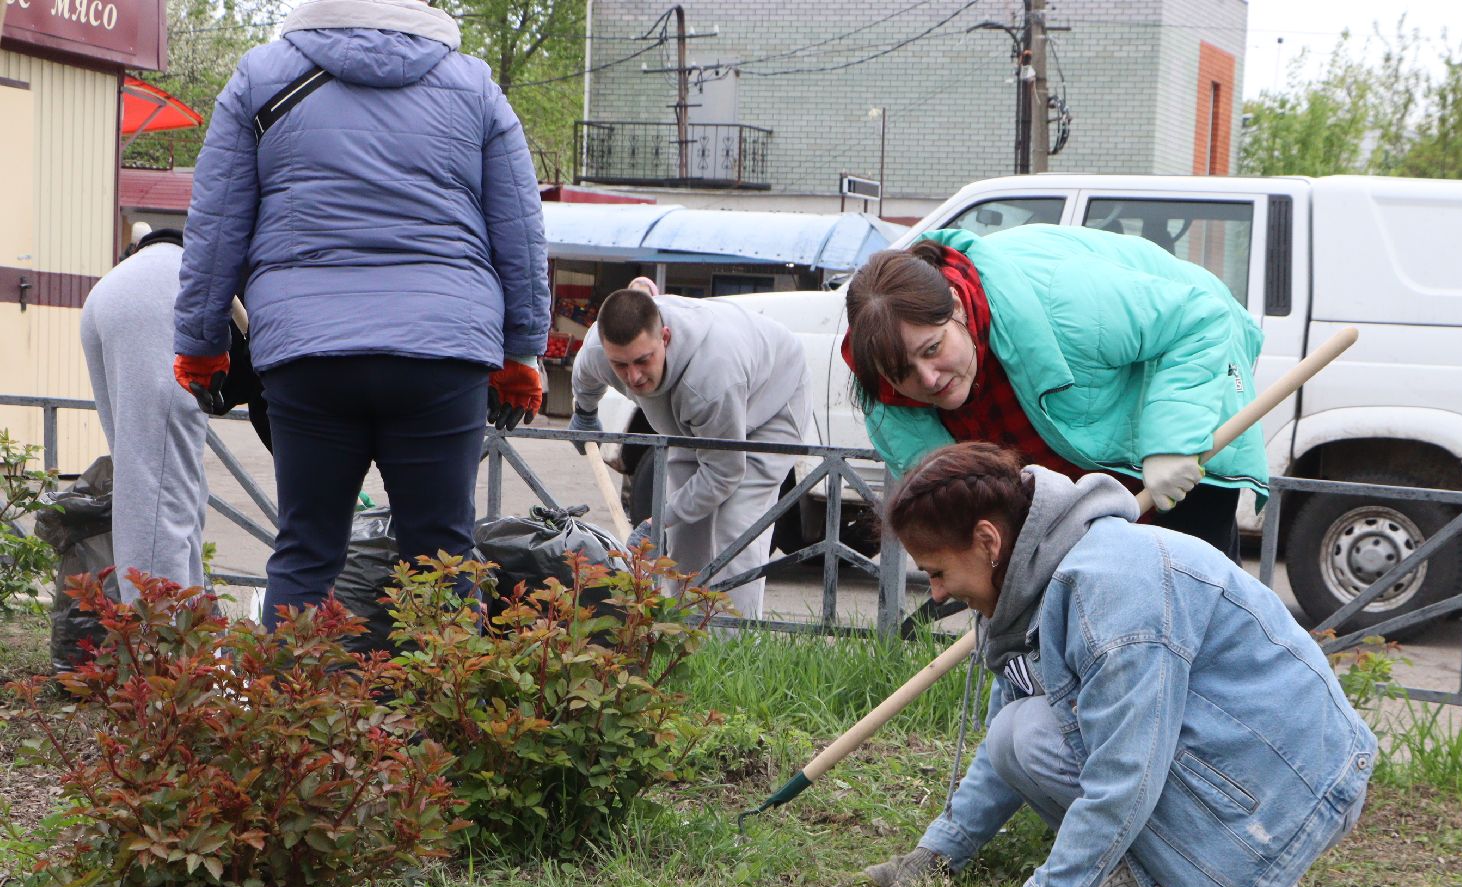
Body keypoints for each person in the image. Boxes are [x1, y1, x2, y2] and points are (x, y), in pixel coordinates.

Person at [837, 442, 1375, 887]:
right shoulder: (1038, 580)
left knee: (1032, 736)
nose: (935, 594)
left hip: (1294, 790)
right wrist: (935, 856)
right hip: (1241, 767)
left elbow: (1126, 776)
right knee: (1017, 733)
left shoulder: (1111, 592)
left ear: (987, 541)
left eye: (936, 572)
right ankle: (1169, 877)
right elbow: (1010, 737)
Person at [173, 0, 550, 626]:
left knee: (306, 551)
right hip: (442, 349)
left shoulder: (261, 77)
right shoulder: (474, 83)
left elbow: (215, 228)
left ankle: (292, 714)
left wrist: (201, 343)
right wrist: (521, 352)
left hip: (308, 351)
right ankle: (446, 719)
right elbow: (519, 229)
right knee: (444, 558)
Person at [842, 225, 1269, 558]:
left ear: (955, 305)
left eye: (933, 349)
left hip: (1186, 382)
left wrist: (1171, 443)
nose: (929, 379)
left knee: (1194, 595)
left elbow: (1200, 319)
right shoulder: (890, 403)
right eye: (903, 372)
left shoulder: (1066, 301)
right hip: (1074, 452)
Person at [568, 289, 811, 620]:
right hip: (691, 416)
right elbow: (585, 374)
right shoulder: (600, 347)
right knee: (684, 532)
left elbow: (724, 473)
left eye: (642, 360)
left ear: (665, 338)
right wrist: (584, 411)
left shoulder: (712, 380)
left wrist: (657, 520)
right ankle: (686, 636)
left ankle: (735, 651)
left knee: (736, 528)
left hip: (771, 401)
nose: (633, 377)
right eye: (620, 365)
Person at [80, 226, 208, 595]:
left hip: (135, 285)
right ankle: (157, 646)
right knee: (158, 490)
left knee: (163, 485)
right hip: (161, 287)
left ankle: (179, 639)